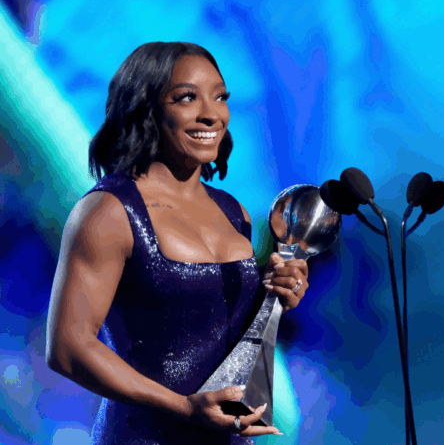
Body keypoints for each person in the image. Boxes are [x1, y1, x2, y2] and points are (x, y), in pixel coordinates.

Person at [46, 42, 309, 444]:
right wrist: (183, 407)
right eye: (187, 97)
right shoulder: (109, 211)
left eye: (220, 97)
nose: (211, 113)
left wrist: (277, 295)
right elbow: (68, 348)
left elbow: (216, 330)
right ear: (145, 108)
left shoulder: (234, 212)